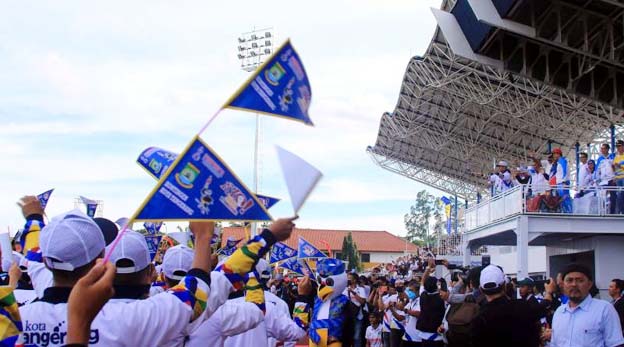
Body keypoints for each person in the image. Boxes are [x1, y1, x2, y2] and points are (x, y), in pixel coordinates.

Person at [470, 265, 555, 347]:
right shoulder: (523, 307)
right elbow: (544, 305)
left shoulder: (479, 319)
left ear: (481, 289)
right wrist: (548, 292)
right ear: (504, 285)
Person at [551, 264, 624, 347]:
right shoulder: (559, 312)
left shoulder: (604, 309)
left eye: (580, 280)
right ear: (563, 285)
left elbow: (616, 344)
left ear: (589, 284)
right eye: (569, 280)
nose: (574, 284)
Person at [346, 272, 368, 347]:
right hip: (347, 316)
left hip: (358, 316)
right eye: (347, 278)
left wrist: (353, 292)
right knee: (348, 336)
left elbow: (362, 302)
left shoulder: (361, 289)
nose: (348, 280)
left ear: (355, 280)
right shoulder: (344, 289)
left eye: (350, 278)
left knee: (357, 337)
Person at [596, 143, 616, 214]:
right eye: (601, 148)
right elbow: (597, 170)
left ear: (607, 149)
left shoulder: (613, 156)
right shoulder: (599, 159)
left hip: (611, 179)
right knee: (602, 196)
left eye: (604, 148)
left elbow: (616, 167)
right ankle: (602, 212)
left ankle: (612, 212)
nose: (602, 150)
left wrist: (615, 177)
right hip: (603, 181)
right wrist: (597, 180)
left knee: (613, 196)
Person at [614, 140, 624, 214]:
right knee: (619, 195)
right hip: (618, 179)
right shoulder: (616, 157)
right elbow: (614, 168)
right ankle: (620, 211)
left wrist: (620, 166)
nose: (618, 148)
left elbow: (619, 167)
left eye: (619, 146)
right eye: (617, 146)